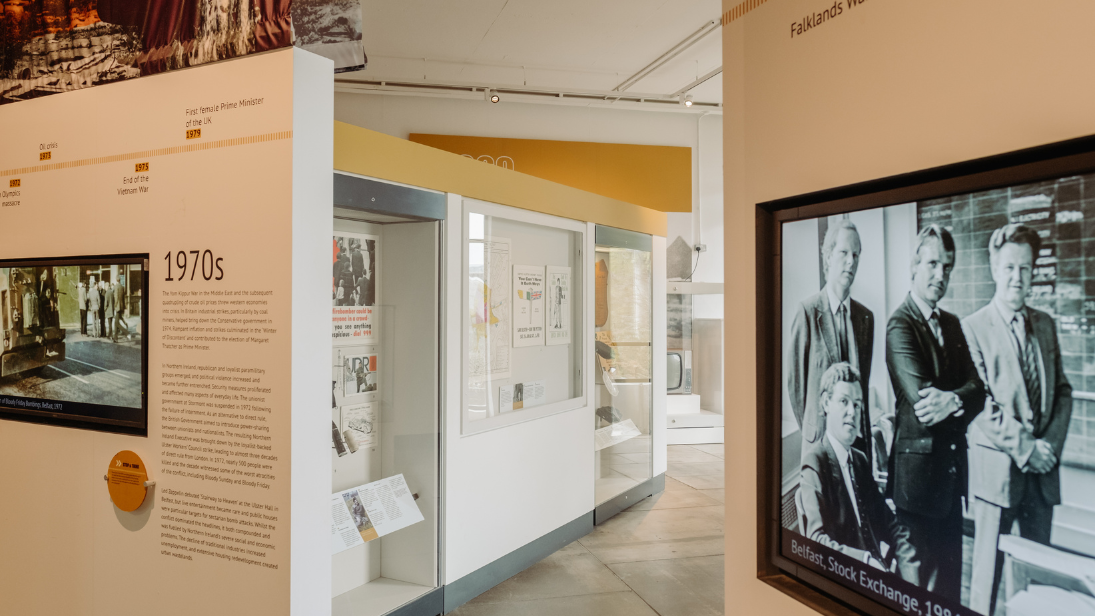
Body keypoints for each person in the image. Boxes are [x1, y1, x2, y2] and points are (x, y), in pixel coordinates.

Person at [961, 225, 1073, 615]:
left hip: (1042, 478)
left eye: (1025, 268)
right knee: (986, 582)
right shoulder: (972, 328)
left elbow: (1062, 391)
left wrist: (1049, 450)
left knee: (1037, 577)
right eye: (1009, 267)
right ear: (994, 268)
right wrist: (1027, 449)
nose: (1017, 278)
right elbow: (979, 404)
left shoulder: (1045, 324)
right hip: (997, 480)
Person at [885, 224, 984, 602]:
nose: (939, 274)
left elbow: (980, 390)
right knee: (917, 597)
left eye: (947, 267)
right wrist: (960, 396)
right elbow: (925, 405)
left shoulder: (953, 324)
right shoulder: (900, 324)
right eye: (931, 263)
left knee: (949, 596)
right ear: (914, 265)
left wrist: (954, 399)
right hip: (917, 490)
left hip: (951, 481)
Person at [799, 363, 918, 582]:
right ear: (826, 403)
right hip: (843, 579)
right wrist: (864, 562)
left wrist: (909, 567)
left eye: (857, 404)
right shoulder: (815, 462)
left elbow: (888, 521)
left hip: (877, 573)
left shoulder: (860, 460)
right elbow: (816, 540)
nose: (852, 412)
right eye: (844, 401)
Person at [786, 219, 875, 468]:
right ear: (828, 256)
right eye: (844, 252)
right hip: (820, 445)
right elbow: (796, 389)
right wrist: (817, 427)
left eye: (856, 254)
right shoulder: (807, 311)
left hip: (856, 443)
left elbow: (862, 384)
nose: (851, 261)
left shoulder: (866, 317)